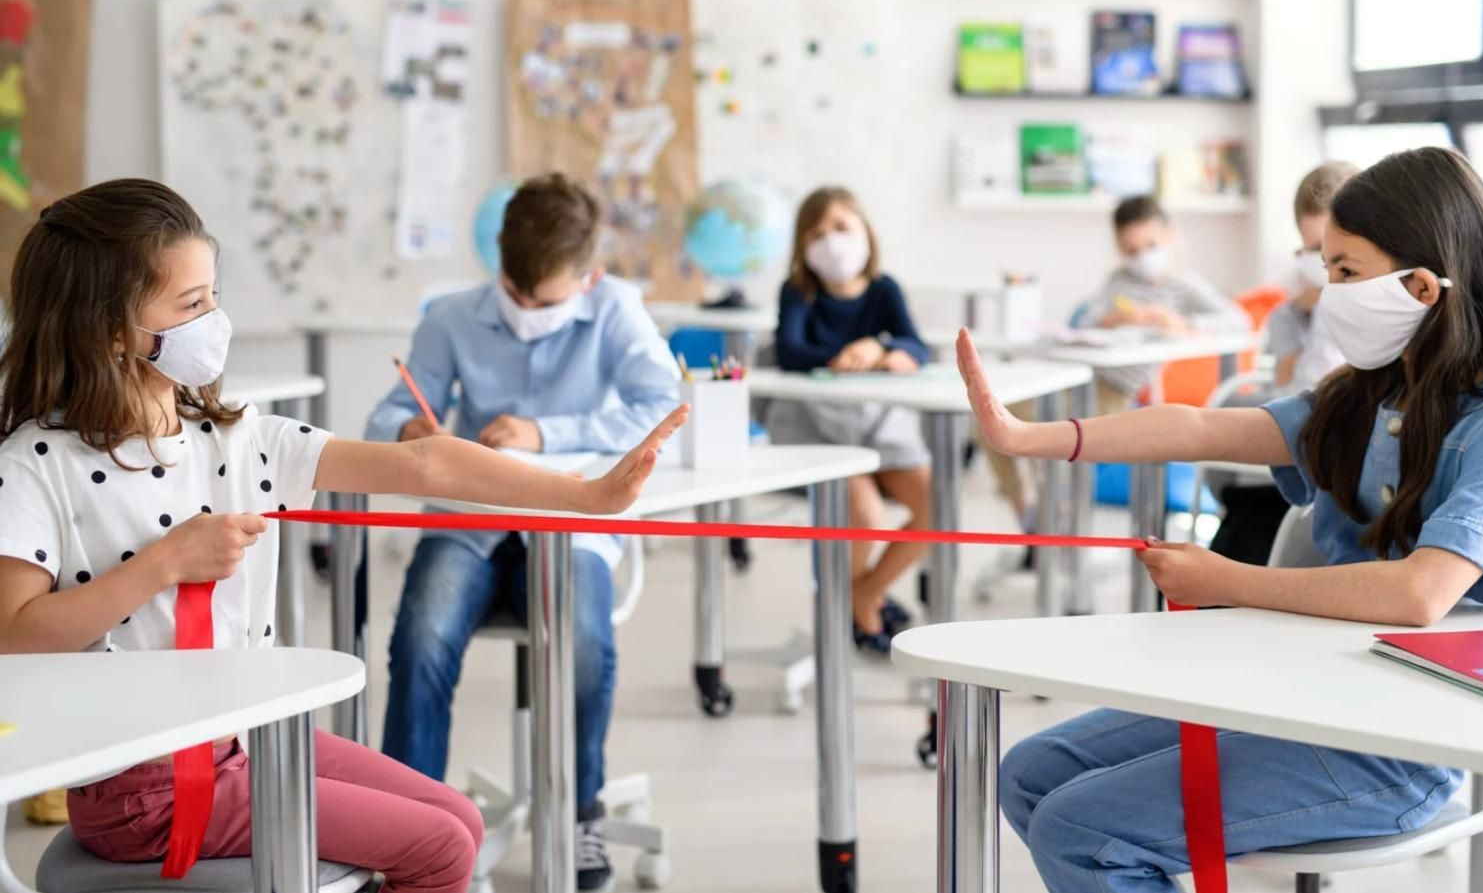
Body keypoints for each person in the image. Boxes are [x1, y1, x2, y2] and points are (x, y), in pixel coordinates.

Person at [0, 179, 685, 893]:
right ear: (112, 329)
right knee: (443, 849)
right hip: (141, 790)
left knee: (461, 821)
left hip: (236, 743)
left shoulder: (238, 438)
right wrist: (162, 564)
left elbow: (426, 459)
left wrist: (588, 497)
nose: (215, 320)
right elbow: (12, 634)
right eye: (192, 304)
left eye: (213, 296)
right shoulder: (36, 464)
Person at [956, 146, 1483, 893]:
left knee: (1082, 829)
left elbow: (1420, 593)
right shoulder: (1368, 395)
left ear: (1422, 286)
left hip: (1402, 742)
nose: (1329, 294)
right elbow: (1199, 429)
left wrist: (1230, 579)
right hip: (1305, 688)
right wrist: (1029, 437)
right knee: (1033, 773)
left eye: (1346, 271)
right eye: (1325, 268)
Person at [366, 172, 681, 892]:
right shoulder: (450, 317)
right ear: (499, 263)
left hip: (572, 520)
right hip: (470, 523)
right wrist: (410, 427)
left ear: (590, 275)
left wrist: (546, 432)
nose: (527, 309)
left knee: (584, 644)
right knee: (421, 635)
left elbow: (661, 405)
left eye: (549, 298)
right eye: (516, 290)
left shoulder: (617, 310)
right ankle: (408, 827)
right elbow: (384, 418)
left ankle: (580, 809)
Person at [984, 194, 1251, 532]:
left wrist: (1182, 323)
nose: (1143, 257)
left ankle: (1056, 515)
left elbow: (1237, 320)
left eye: (1150, 245)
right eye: (1131, 250)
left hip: (1118, 392)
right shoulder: (1118, 281)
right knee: (988, 420)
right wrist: (1112, 319)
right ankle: (1028, 514)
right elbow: (1086, 321)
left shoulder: (1184, 287)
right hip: (1079, 376)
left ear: (1170, 235)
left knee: (1040, 430)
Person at [768, 185, 933, 654]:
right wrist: (844, 355)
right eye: (817, 233)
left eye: (841, 228)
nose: (832, 241)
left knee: (936, 504)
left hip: (878, 423)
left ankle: (863, 593)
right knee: (864, 513)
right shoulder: (797, 291)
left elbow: (916, 345)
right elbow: (789, 351)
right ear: (802, 246)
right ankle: (860, 613)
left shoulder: (884, 289)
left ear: (865, 233)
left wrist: (883, 349)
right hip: (814, 426)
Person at [1208, 160, 1358, 565]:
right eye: (1310, 250)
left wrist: (1328, 303)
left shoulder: (1361, 310)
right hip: (1294, 447)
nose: (1317, 261)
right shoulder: (1288, 315)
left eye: (1327, 251)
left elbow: (1309, 383)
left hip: (1333, 460)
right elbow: (1290, 388)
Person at [1264, 160, 1358, 393]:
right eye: (1316, 249)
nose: (1327, 260)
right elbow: (1301, 393)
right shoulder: (1286, 318)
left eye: (1339, 250)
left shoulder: (1388, 308)